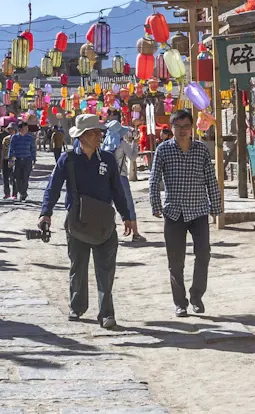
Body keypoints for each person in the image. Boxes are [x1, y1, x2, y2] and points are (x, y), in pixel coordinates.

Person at [41, 114, 137, 330]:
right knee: (78, 266)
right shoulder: (68, 160)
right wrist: (45, 212)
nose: (98, 136)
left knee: (105, 269)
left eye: (99, 132)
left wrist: (126, 215)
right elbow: (53, 186)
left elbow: (117, 190)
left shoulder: (108, 159)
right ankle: (77, 306)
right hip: (77, 222)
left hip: (104, 221)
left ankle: (106, 314)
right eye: (93, 133)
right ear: (82, 136)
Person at [148, 109, 223, 318]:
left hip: (198, 211)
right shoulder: (163, 150)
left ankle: (197, 295)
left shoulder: (201, 150)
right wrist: (155, 204)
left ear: (192, 128)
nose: (182, 131)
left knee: (203, 255)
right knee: (175, 260)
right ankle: (180, 302)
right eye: (178, 127)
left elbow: (210, 179)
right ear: (171, 129)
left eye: (186, 127)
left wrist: (216, 207)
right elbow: (154, 179)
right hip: (174, 212)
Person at [104, 109, 137, 181]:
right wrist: (135, 144)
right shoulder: (122, 143)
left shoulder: (105, 144)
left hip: (108, 177)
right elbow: (133, 157)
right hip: (121, 176)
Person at [9, 122, 38, 200]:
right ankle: (22, 192)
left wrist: (34, 159)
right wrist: (10, 159)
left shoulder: (30, 138)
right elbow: (11, 149)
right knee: (17, 178)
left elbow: (33, 149)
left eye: (27, 128)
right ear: (20, 129)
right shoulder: (14, 138)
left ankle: (23, 193)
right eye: (25, 128)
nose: (26, 130)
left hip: (27, 160)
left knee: (25, 178)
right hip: (17, 160)